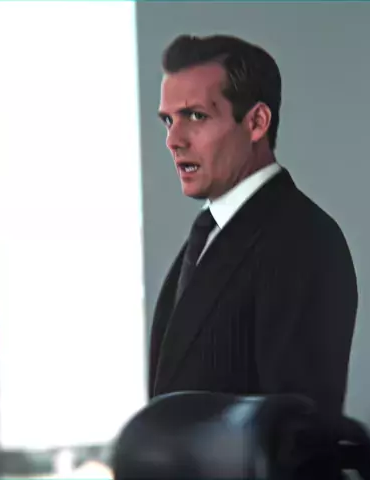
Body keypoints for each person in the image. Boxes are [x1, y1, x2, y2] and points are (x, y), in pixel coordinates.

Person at [148, 34, 358, 423]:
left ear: (257, 122)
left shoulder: (303, 240)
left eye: (196, 116)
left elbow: (296, 434)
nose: (173, 140)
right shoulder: (208, 236)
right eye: (168, 120)